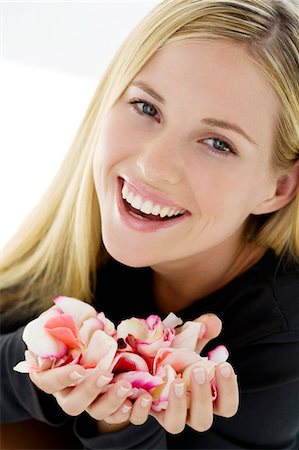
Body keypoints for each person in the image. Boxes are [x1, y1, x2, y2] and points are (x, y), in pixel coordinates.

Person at [1, 0, 299, 448]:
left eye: (218, 143)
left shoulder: (284, 346)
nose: (153, 166)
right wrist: (38, 361)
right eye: (146, 107)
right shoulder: (77, 249)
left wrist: (125, 421)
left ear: (277, 187)